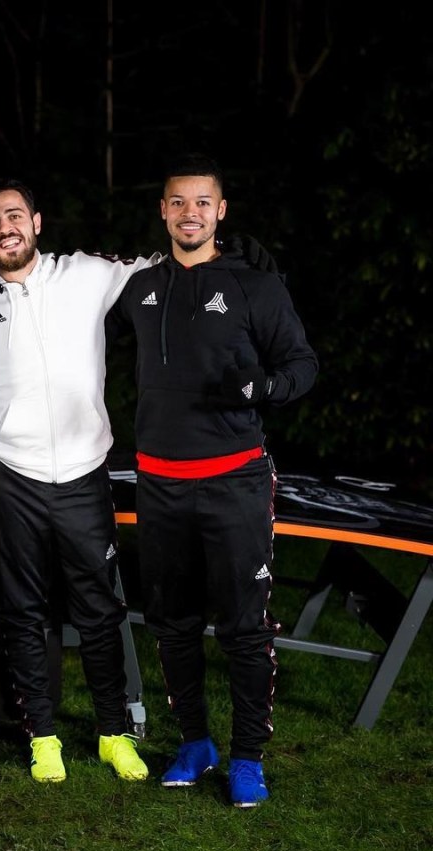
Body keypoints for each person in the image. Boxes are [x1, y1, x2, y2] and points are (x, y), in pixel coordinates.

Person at [110, 153, 318, 808]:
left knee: (243, 626)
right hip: (160, 483)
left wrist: (266, 387)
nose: (190, 212)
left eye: (203, 202)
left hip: (233, 480)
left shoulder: (255, 285)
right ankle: (195, 741)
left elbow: (303, 364)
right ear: (163, 211)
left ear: (220, 211)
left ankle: (248, 757)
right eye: (178, 202)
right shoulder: (140, 288)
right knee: (171, 621)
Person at [0, 177, 161, 785]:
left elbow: (160, 268)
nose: (5, 227)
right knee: (23, 610)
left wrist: (225, 259)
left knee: (100, 609)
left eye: (14, 215)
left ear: (37, 221)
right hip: (13, 477)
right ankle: (42, 736)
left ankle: (112, 733)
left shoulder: (86, 274)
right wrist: (10, 415)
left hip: (82, 472)